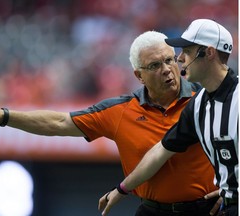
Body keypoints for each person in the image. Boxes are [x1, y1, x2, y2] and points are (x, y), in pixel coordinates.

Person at [0, 31, 220, 215]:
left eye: (169, 60)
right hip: (153, 211)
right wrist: (4, 116)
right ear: (138, 75)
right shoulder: (120, 111)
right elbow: (59, 122)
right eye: (154, 65)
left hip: (208, 209)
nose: (166, 69)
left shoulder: (207, 98)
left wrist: (234, 189)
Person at [99, 19, 238, 216]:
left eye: (187, 51)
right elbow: (160, 151)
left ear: (208, 53)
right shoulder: (198, 104)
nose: (180, 59)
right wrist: (122, 189)